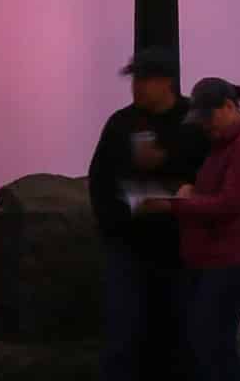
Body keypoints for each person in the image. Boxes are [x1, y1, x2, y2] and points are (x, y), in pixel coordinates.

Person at [85, 47, 207, 379]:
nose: (137, 86)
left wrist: (165, 165)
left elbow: (209, 179)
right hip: (129, 247)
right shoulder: (121, 123)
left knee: (182, 336)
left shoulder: (194, 124)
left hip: (180, 249)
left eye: (145, 79)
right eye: (134, 79)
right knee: (122, 335)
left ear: (166, 81)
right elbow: (99, 179)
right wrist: (114, 225)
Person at [142, 78, 240, 381]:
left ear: (228, 106)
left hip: (230, 260)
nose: (204, 126)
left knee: (210, 344)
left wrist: (174, 205)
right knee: (211, 344)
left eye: (207, 117)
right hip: (215, 259)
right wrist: (190, 190)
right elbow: (215, 194)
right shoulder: (227, 146)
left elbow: (227, 205)